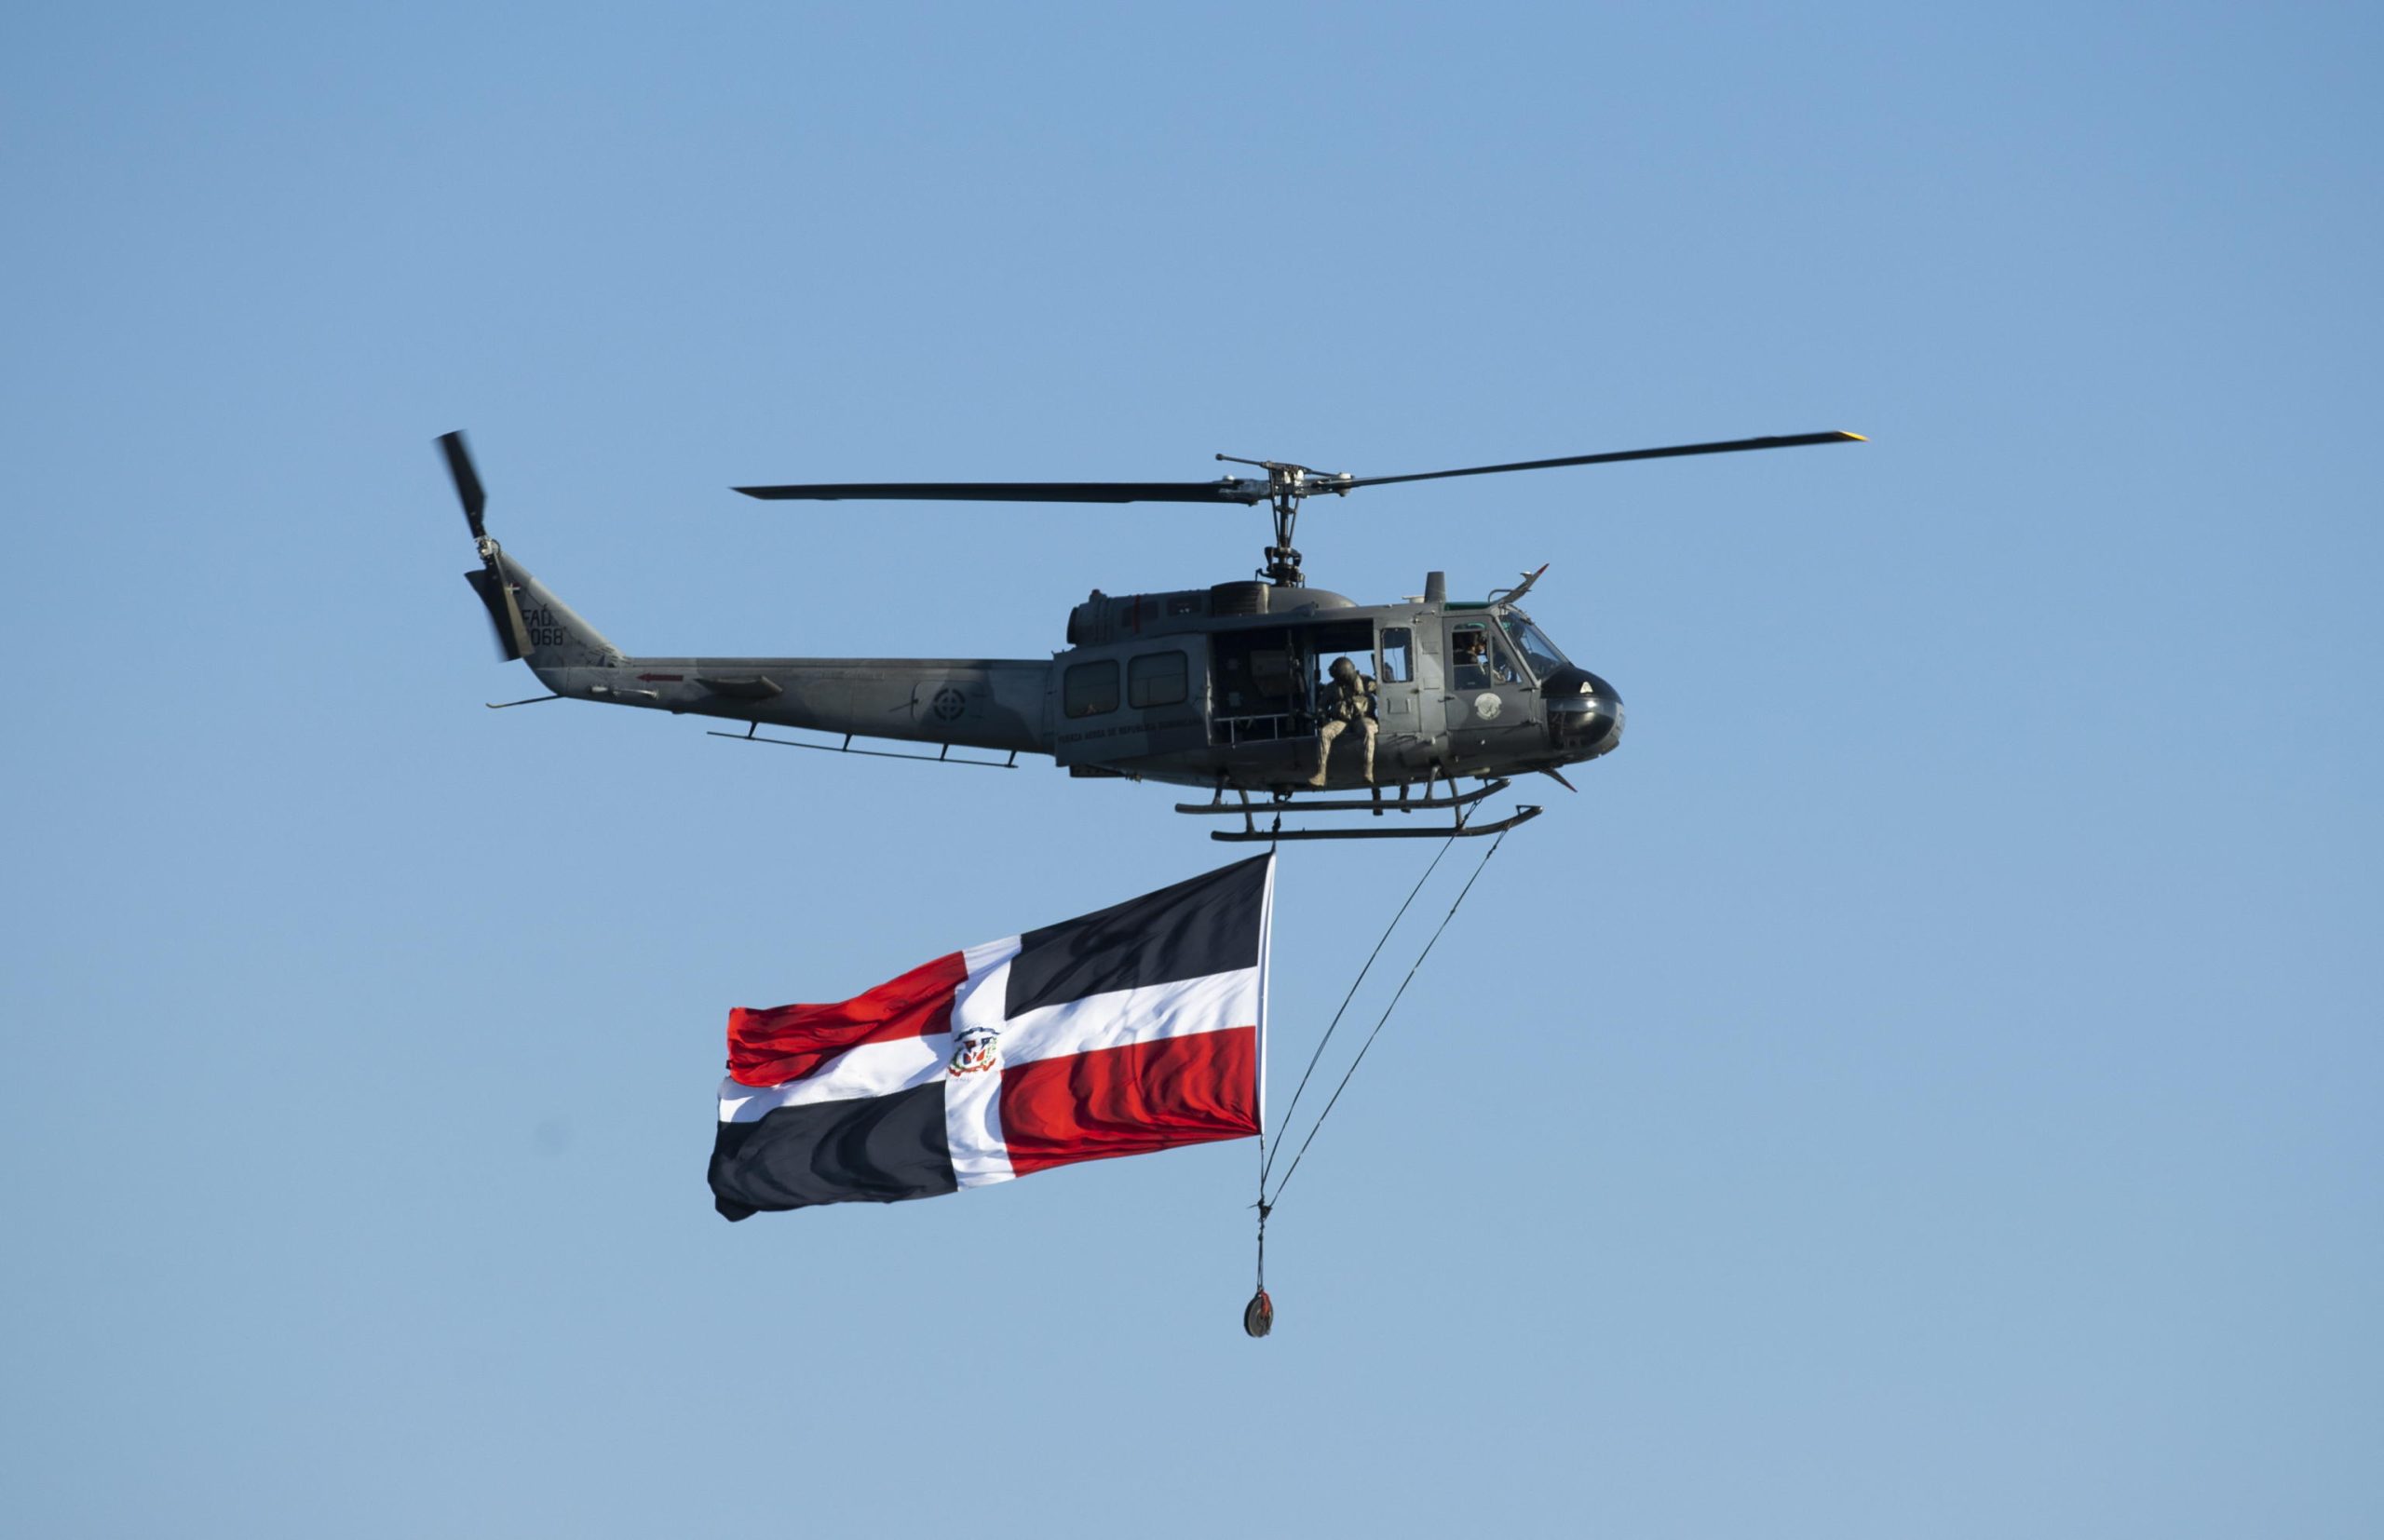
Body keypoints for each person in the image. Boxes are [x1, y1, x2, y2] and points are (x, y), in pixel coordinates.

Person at [1309, 655, 1378, 788]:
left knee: (1368, 729)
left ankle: (1368, 769)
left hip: (1362, 718)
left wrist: (1376, 685)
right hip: (1343, 722)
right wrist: (1322, 715)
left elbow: (1380, 690)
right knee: (1325, 732)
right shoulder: (1331, 688)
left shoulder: (1365, 681)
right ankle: (1321, 773)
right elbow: (1321, 705)